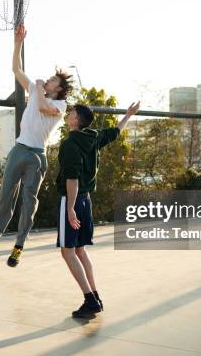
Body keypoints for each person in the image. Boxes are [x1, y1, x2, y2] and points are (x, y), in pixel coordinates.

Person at [0, 24, 74, 267]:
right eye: (48, 79)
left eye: (53, 80)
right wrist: (18, 42)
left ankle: (19, 246)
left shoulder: (60, 107)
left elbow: (42, 107)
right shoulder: (35, 88)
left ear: (59, 89)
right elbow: (16, 69)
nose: (48, 80)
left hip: (37, 156)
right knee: (5, 194)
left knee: (29, 201)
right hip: (19, 149)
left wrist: (39, 88)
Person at [56, 102, 140, 318]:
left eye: (71, 113)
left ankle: (90, 300)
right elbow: (115, 132)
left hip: (73, 200)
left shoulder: (69, 144)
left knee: (68, 252)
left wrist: (70, 209)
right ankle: (95, 296)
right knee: (80, 251)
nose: (68, 114)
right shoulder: (92, 137)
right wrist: (128, 115)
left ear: (75, 121)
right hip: (86, 200)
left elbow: (72, 178)